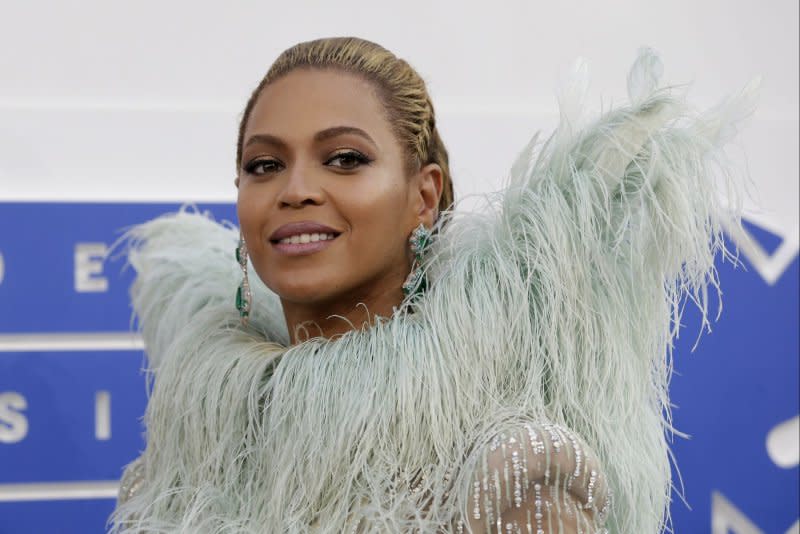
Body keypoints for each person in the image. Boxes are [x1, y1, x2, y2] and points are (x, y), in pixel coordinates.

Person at [109, 37, 758, 533]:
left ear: (424, 198)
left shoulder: (512, 467)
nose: (296, 189)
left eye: (345, 159)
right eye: (264, 165)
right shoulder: (173, 471)